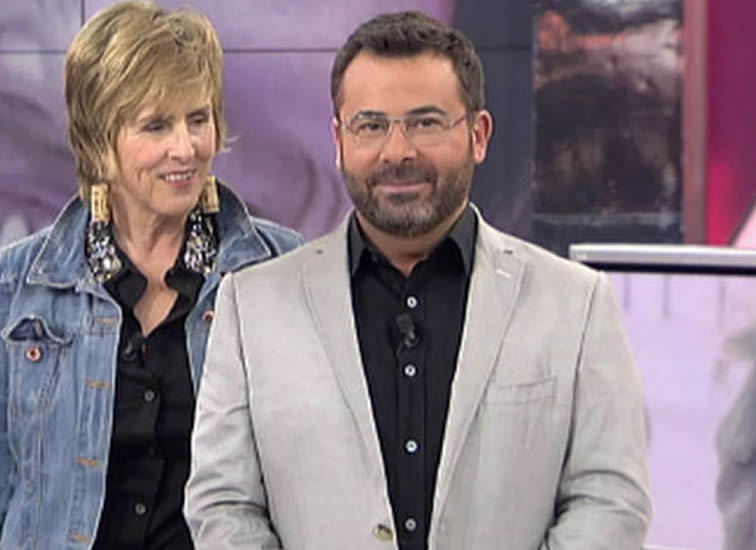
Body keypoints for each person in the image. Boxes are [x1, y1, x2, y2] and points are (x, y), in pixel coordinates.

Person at [185, 11, 651, 550]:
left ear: (478, 135)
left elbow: (611, 501)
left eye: (426, 123)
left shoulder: (577, 304)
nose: (398, 151)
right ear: (338, 140)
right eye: (371, 125)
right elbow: (223, 504)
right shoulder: (253, 306)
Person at [0, 2, 301, 548]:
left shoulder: (278, 268)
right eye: (156, 125)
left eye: (198, 119)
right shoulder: (25, 280)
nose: (185, 148)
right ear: (100, 141)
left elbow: (316, 472)